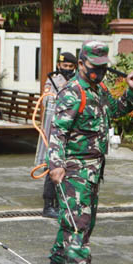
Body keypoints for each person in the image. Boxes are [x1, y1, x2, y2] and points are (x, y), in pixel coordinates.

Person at [40, 40, 133, 264]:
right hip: (74, 170)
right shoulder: (72, 93)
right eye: (93, 67)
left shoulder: (98, 91)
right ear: (80, 64)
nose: (98, 72)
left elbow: (116, 110)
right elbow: (57, 133)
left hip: (93, 171)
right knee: (79, 225)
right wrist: (56, 166)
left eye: (103, 67)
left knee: (74, 222)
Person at [41, 52, 77, 218]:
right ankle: (48, 205)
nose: (67, 69)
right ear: (58, 65)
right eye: (65, 66)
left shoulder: (76, 82)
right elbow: (46, 101)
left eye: (70, 67)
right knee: (53, 165)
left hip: (71, 130)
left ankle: (62, 202)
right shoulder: (53, 81)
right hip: (54, 130)